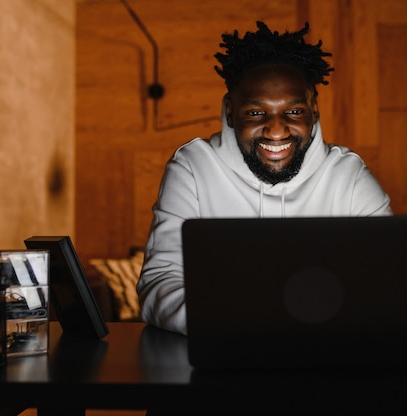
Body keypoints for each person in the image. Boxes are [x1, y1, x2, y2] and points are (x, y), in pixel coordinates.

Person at [137, 21, 392, 336]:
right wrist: (239, 325)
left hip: (325, 363)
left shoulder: (349, 177)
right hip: (223, 363)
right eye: (256, 113)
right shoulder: (192, 168)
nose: (275, 131)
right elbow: (159, 283)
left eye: (294, 112)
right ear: (231, 111)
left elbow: (388, 282)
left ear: (313, 108)